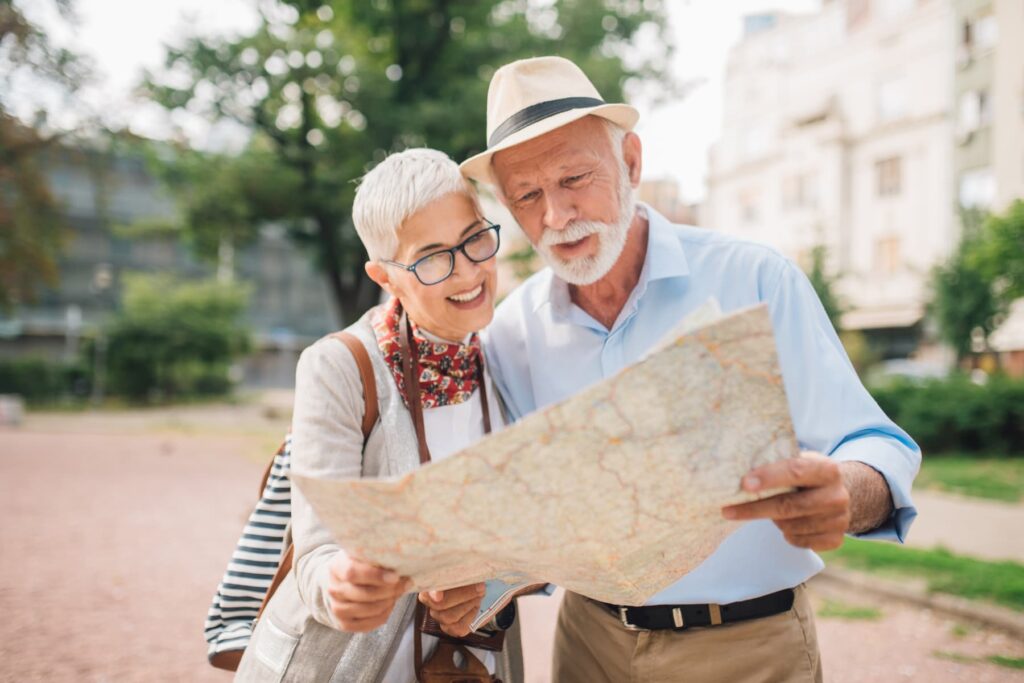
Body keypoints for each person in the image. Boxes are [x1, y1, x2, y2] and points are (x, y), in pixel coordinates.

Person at [462, 56, 921, 682]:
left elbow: (874, 443)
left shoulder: (756, 279)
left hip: (747, 648)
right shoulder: (512, 332)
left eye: (575, 178)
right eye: (528, 196)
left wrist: (845, 489)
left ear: (630, 163)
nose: (557, 217)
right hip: (587, 645)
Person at [235, 148, 523, 682]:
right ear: (384, 275)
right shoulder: (339, 366)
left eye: (475, 238)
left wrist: (488, 586)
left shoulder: (504, 354)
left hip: (471, 666)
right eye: (433, 256)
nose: (468, 271)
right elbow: (318, 550)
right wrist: (342, 585)